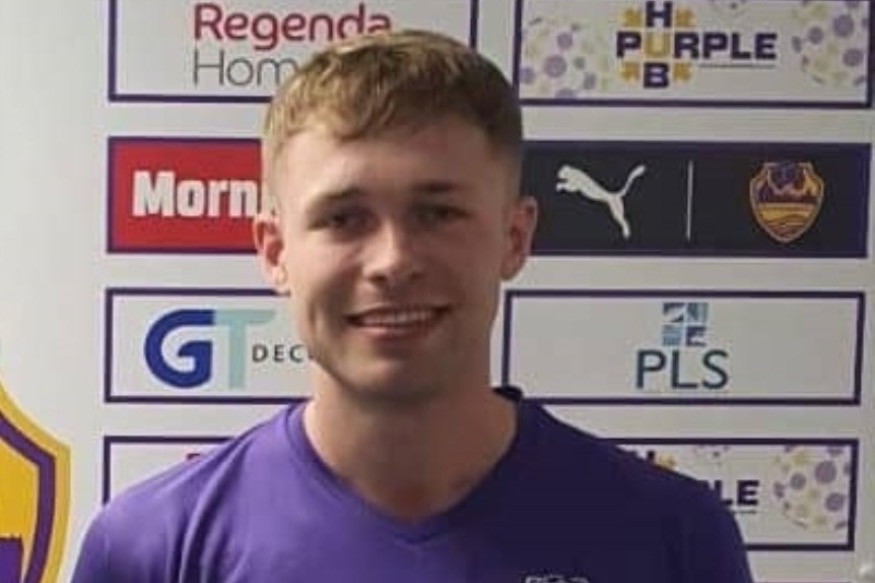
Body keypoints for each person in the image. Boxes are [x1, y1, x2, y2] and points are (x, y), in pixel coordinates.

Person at [72, 30, 754, 582]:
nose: (393, 260)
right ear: (275, 252)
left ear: (514, 237)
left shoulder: (671, 535)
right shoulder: (148, 549)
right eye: (343, 218)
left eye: (438, 212)